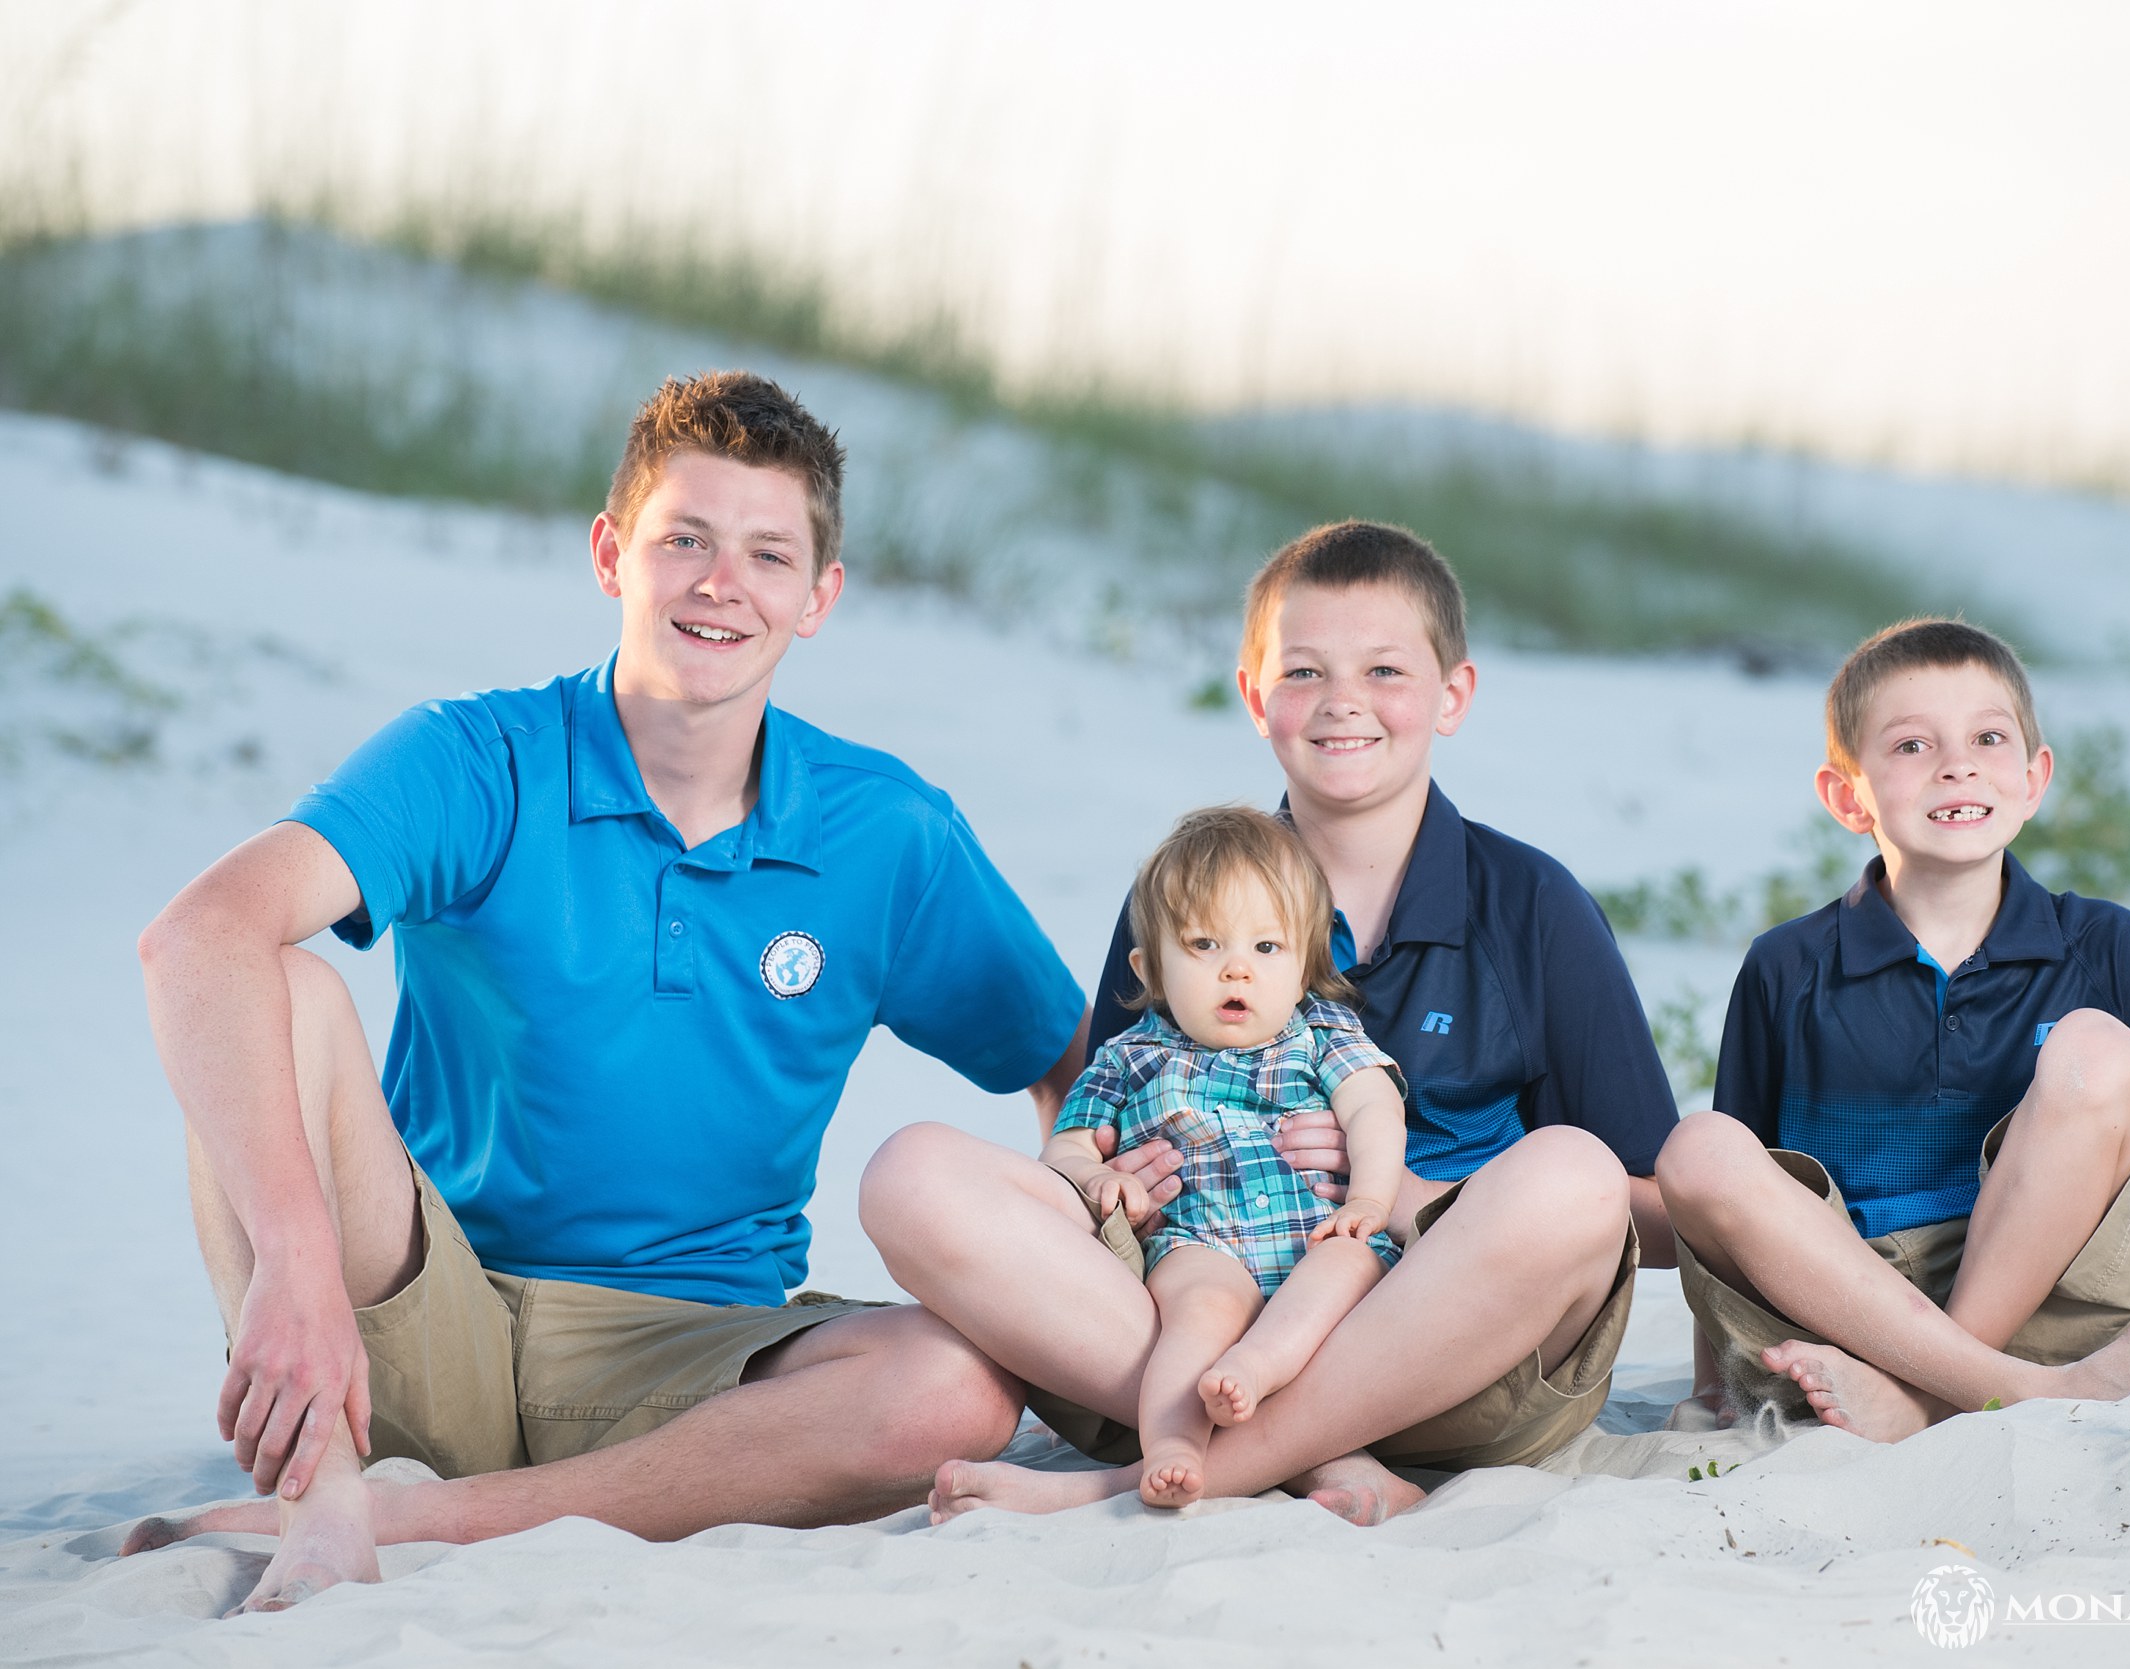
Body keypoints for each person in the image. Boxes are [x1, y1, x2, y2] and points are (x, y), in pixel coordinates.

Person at [119, 372, 1087, 1611]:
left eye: (766, 553)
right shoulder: (478, 756)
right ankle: (326, 1487)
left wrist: (1072, 1226)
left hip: (689, 1364)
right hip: (424, 1303)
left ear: (817, 597)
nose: (718, 581)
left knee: (954, 1391)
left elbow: (1074, 1058)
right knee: (285, 987)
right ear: (610, 552)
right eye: (683, 538)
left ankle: (423, 1514)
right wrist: (297, 1260)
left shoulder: (885, 831)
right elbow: (195, 937)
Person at [863, 520, 1681, 1524]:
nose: (1343, 701)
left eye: (1384, 669)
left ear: (1451, 695)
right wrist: (1111, 1184)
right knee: (910, 1173)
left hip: (1443, 1354)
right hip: (1195, 1324)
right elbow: (1092, 1127)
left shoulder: (1533, 906)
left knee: (1576, 1176)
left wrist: (1407, 1192)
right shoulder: (1181, 897)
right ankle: (1303, 1449)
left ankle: (1191, 1467)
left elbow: (1659, 1218)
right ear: (1255, 698)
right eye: (1304, 671)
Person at [1658, 618, 2130, 1442]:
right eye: (1912, 746)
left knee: (2096, 1050)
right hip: (1842, 1320)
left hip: (2050, 1309)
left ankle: (1932, 1394)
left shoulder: (2099, 945)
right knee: (1698, 1145)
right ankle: (1995, 1389)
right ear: (1849, 797)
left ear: (2034, 780)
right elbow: (1733, 1204)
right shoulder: (1787, 966)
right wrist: (1714, 1381)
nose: (1957, 763)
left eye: (1988, 738)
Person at [1045, 806, 1409, 1508]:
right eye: (1205, 944)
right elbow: (1065, 1143)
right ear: (1151, 967)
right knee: (1195, 1309)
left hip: (1314, 1230)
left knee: (1351, 1261)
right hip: (1199, 1239)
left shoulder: (1322, 1033)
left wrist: (1368, 1199)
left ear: (1304, 966)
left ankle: (1258, 1364)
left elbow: (1375, 1108)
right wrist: (1093, 1172)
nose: (1237, 967)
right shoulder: (1131, 1057)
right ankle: (1175, 1443)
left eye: (1267, 948)